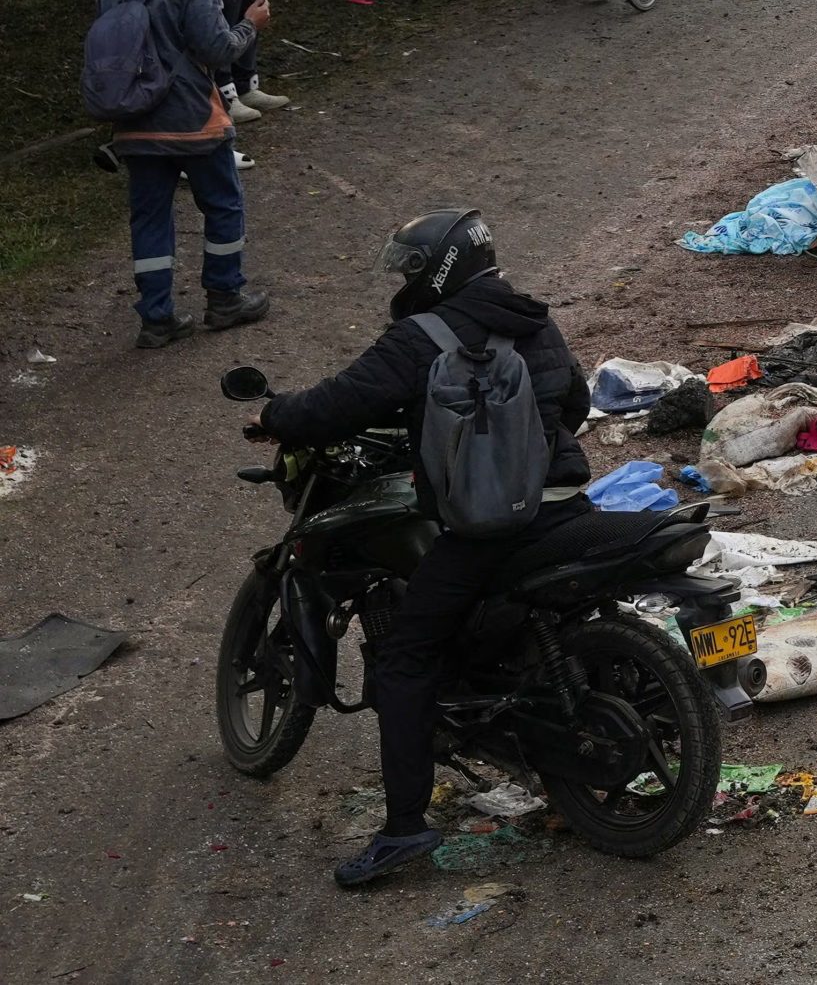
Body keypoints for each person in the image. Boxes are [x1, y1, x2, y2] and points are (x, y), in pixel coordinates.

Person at [254, 208, 594, 888]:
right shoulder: (532, 316)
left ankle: (404, 826)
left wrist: (272, 413)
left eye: (411, 268)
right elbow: (575, 401)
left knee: (408, 656)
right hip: (566, 504)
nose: (404, 280)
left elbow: (340, 401)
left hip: (493, 532)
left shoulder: (425, 335)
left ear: (440, 268)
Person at [93, 0, 270, 348]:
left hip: (134, 125)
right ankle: (225, 297)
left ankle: (156, 318)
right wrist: (249, 25)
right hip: (194, 122)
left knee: (149, 218)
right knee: (222, 205)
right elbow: (216, 51)